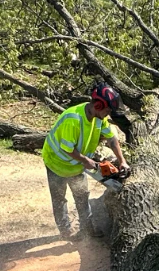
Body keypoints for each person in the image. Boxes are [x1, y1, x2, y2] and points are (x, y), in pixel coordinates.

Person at [42, 83, 129, 240]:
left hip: (76, 165)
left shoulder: (98, 118)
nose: (108, 114)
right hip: (56, 162)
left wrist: (122, 161)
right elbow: (67, 149)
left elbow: (111, 138)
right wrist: (86, 160)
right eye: (108, 110)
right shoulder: (73, 119)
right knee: (59, 198)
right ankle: (66, 231)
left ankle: (88, 229)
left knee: (82, 195)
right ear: (98, 105)